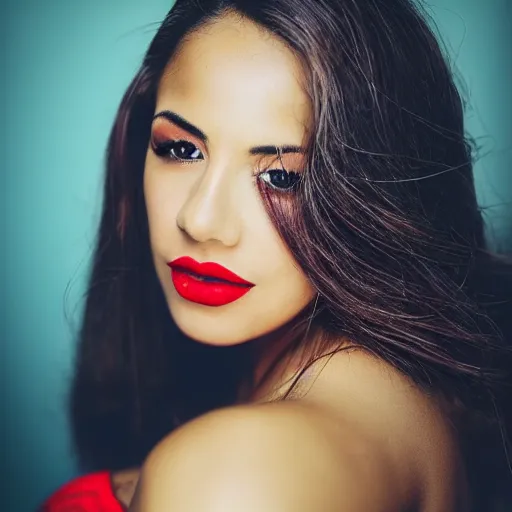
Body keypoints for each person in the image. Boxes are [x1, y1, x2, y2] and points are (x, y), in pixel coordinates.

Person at [41, 0, 512, 510]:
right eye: (181, 149)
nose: (201, 221)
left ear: (384, 195)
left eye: (282, 177)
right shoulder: (406, 393)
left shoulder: (240, 474)